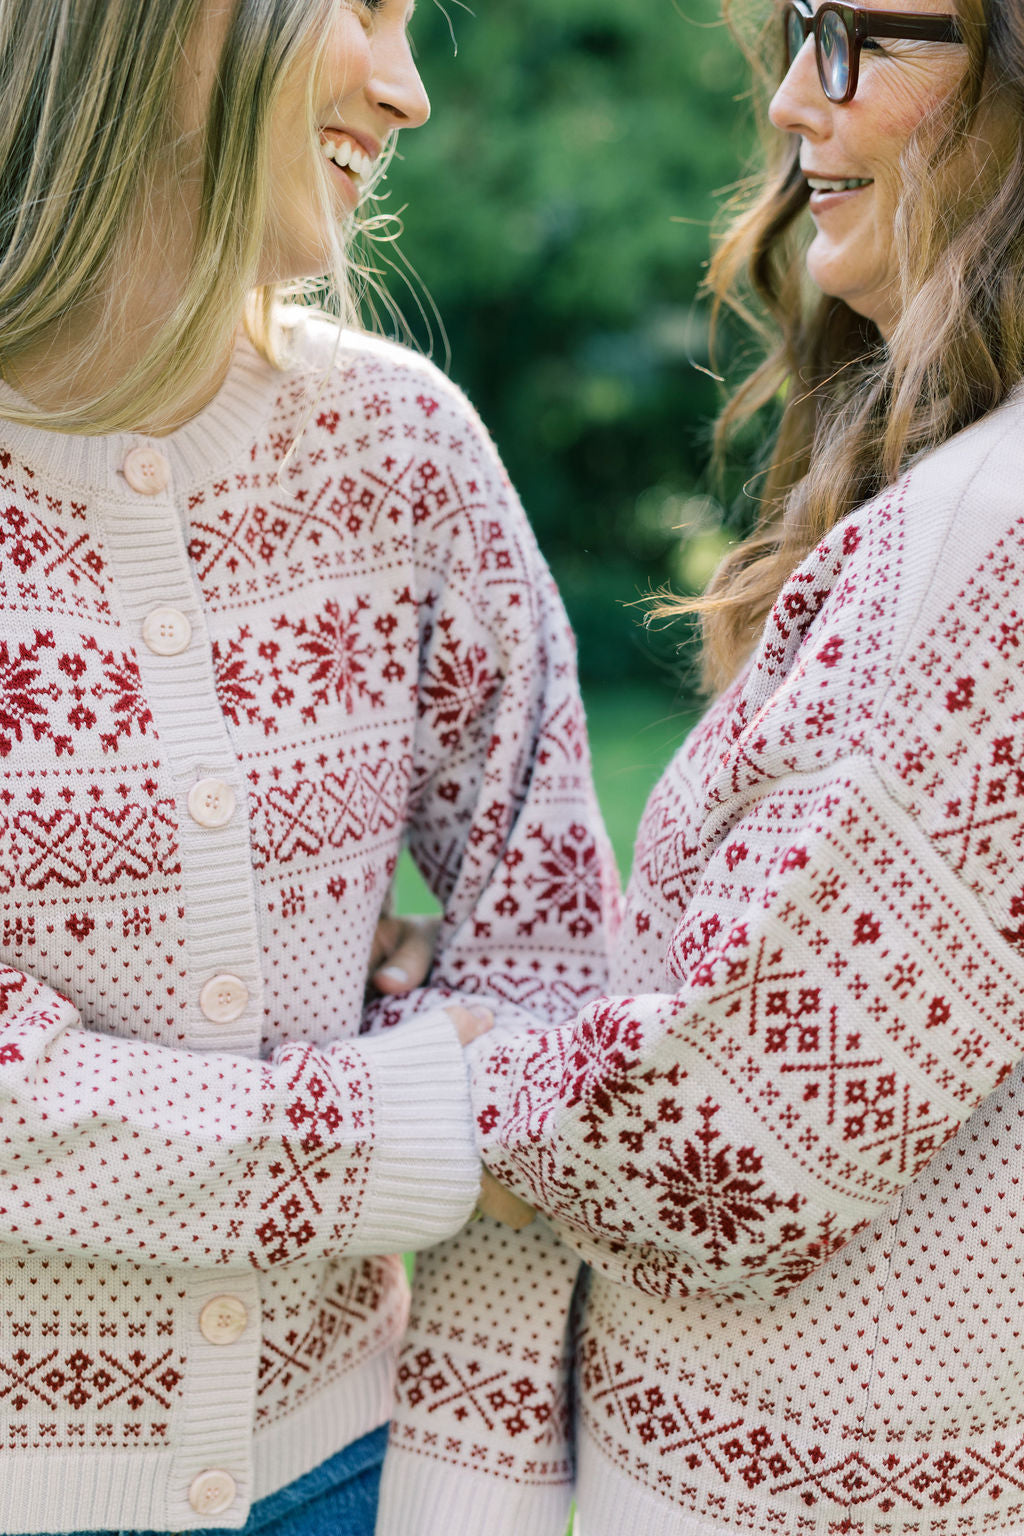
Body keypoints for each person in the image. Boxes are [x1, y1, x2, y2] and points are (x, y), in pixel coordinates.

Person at [381, 0, 1024, 1531]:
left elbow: (732, 1123)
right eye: (804, 28)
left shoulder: (994, 543)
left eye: (873, 35)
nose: (799, 100)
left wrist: (446, 1075)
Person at [0, 3, 617, 1534]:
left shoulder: (400, 451)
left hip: (357, 1478)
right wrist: (421, 1115)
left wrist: (475, 1498)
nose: (406, 92)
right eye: (365, 9)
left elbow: (554, 983)